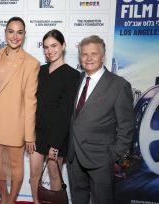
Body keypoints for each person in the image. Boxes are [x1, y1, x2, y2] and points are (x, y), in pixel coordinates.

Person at [67, 35, 135, 204]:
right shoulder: (78, 79)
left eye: (94, 54)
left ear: (103, 56)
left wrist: (113, 155)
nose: (88, 58)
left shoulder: (119, 85)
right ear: (80, 57)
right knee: (78, 198)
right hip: (74, 155)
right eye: (84, 54)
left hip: (101, 159)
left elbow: (127, 126)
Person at [0, 16, 40, 204]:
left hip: (16, 122)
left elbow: (30, 100)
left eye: (19, 32)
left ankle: (11, 200)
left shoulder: (31, 63)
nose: (14, 36)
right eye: (11, 31)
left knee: (16, 166)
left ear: (24, 35)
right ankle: (4, 197)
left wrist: (29, 134)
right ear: (5, 33)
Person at [29, 29, 80, 204]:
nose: (50, 50)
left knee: (53, 172)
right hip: (36, 132)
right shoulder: (40, 71)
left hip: (57, 135)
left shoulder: (72, 75)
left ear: (63, 46)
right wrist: (29, 133)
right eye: (46, 47)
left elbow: (66, 112)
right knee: (34, 173)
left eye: (54, 45)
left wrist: (55, 144)